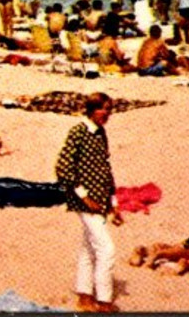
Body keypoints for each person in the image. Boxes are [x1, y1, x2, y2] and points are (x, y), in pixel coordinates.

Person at [55, 92, 123, 313]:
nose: (108, 115)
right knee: (106, 249)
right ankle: (104, 301)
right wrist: (84, 196)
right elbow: (63, 167)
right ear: (92, 109)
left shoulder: (100, 132)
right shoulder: (78, 131)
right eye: (104, 109)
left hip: (100, 199)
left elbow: (105, 167)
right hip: (85, 200)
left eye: (110, 110)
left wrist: (113, 202)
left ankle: (84, 297)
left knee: (88, 249)